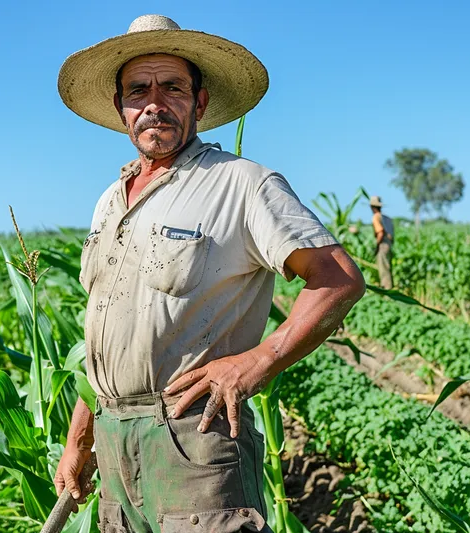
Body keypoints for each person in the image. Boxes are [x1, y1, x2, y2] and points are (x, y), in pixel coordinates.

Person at [53, 15, 365, 533]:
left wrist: (256, 363)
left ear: (198, 103)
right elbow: (107, 328)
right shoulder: (109, 202)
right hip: (114, 443)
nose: (155, 101)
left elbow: (337, 278)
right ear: (122, 108)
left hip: (193, 439)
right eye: (139, 90)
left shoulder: (242, 184)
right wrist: (81, 438)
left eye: (172, 87)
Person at [370, 195, 394, 289]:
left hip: (383, 244)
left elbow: (380, 233)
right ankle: (391, 287)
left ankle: (387, 291)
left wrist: (377, 246)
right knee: (388, 267)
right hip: (389, 244)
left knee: (383, 269)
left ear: (372, 207)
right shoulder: (387, 218)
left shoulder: (376, 217)